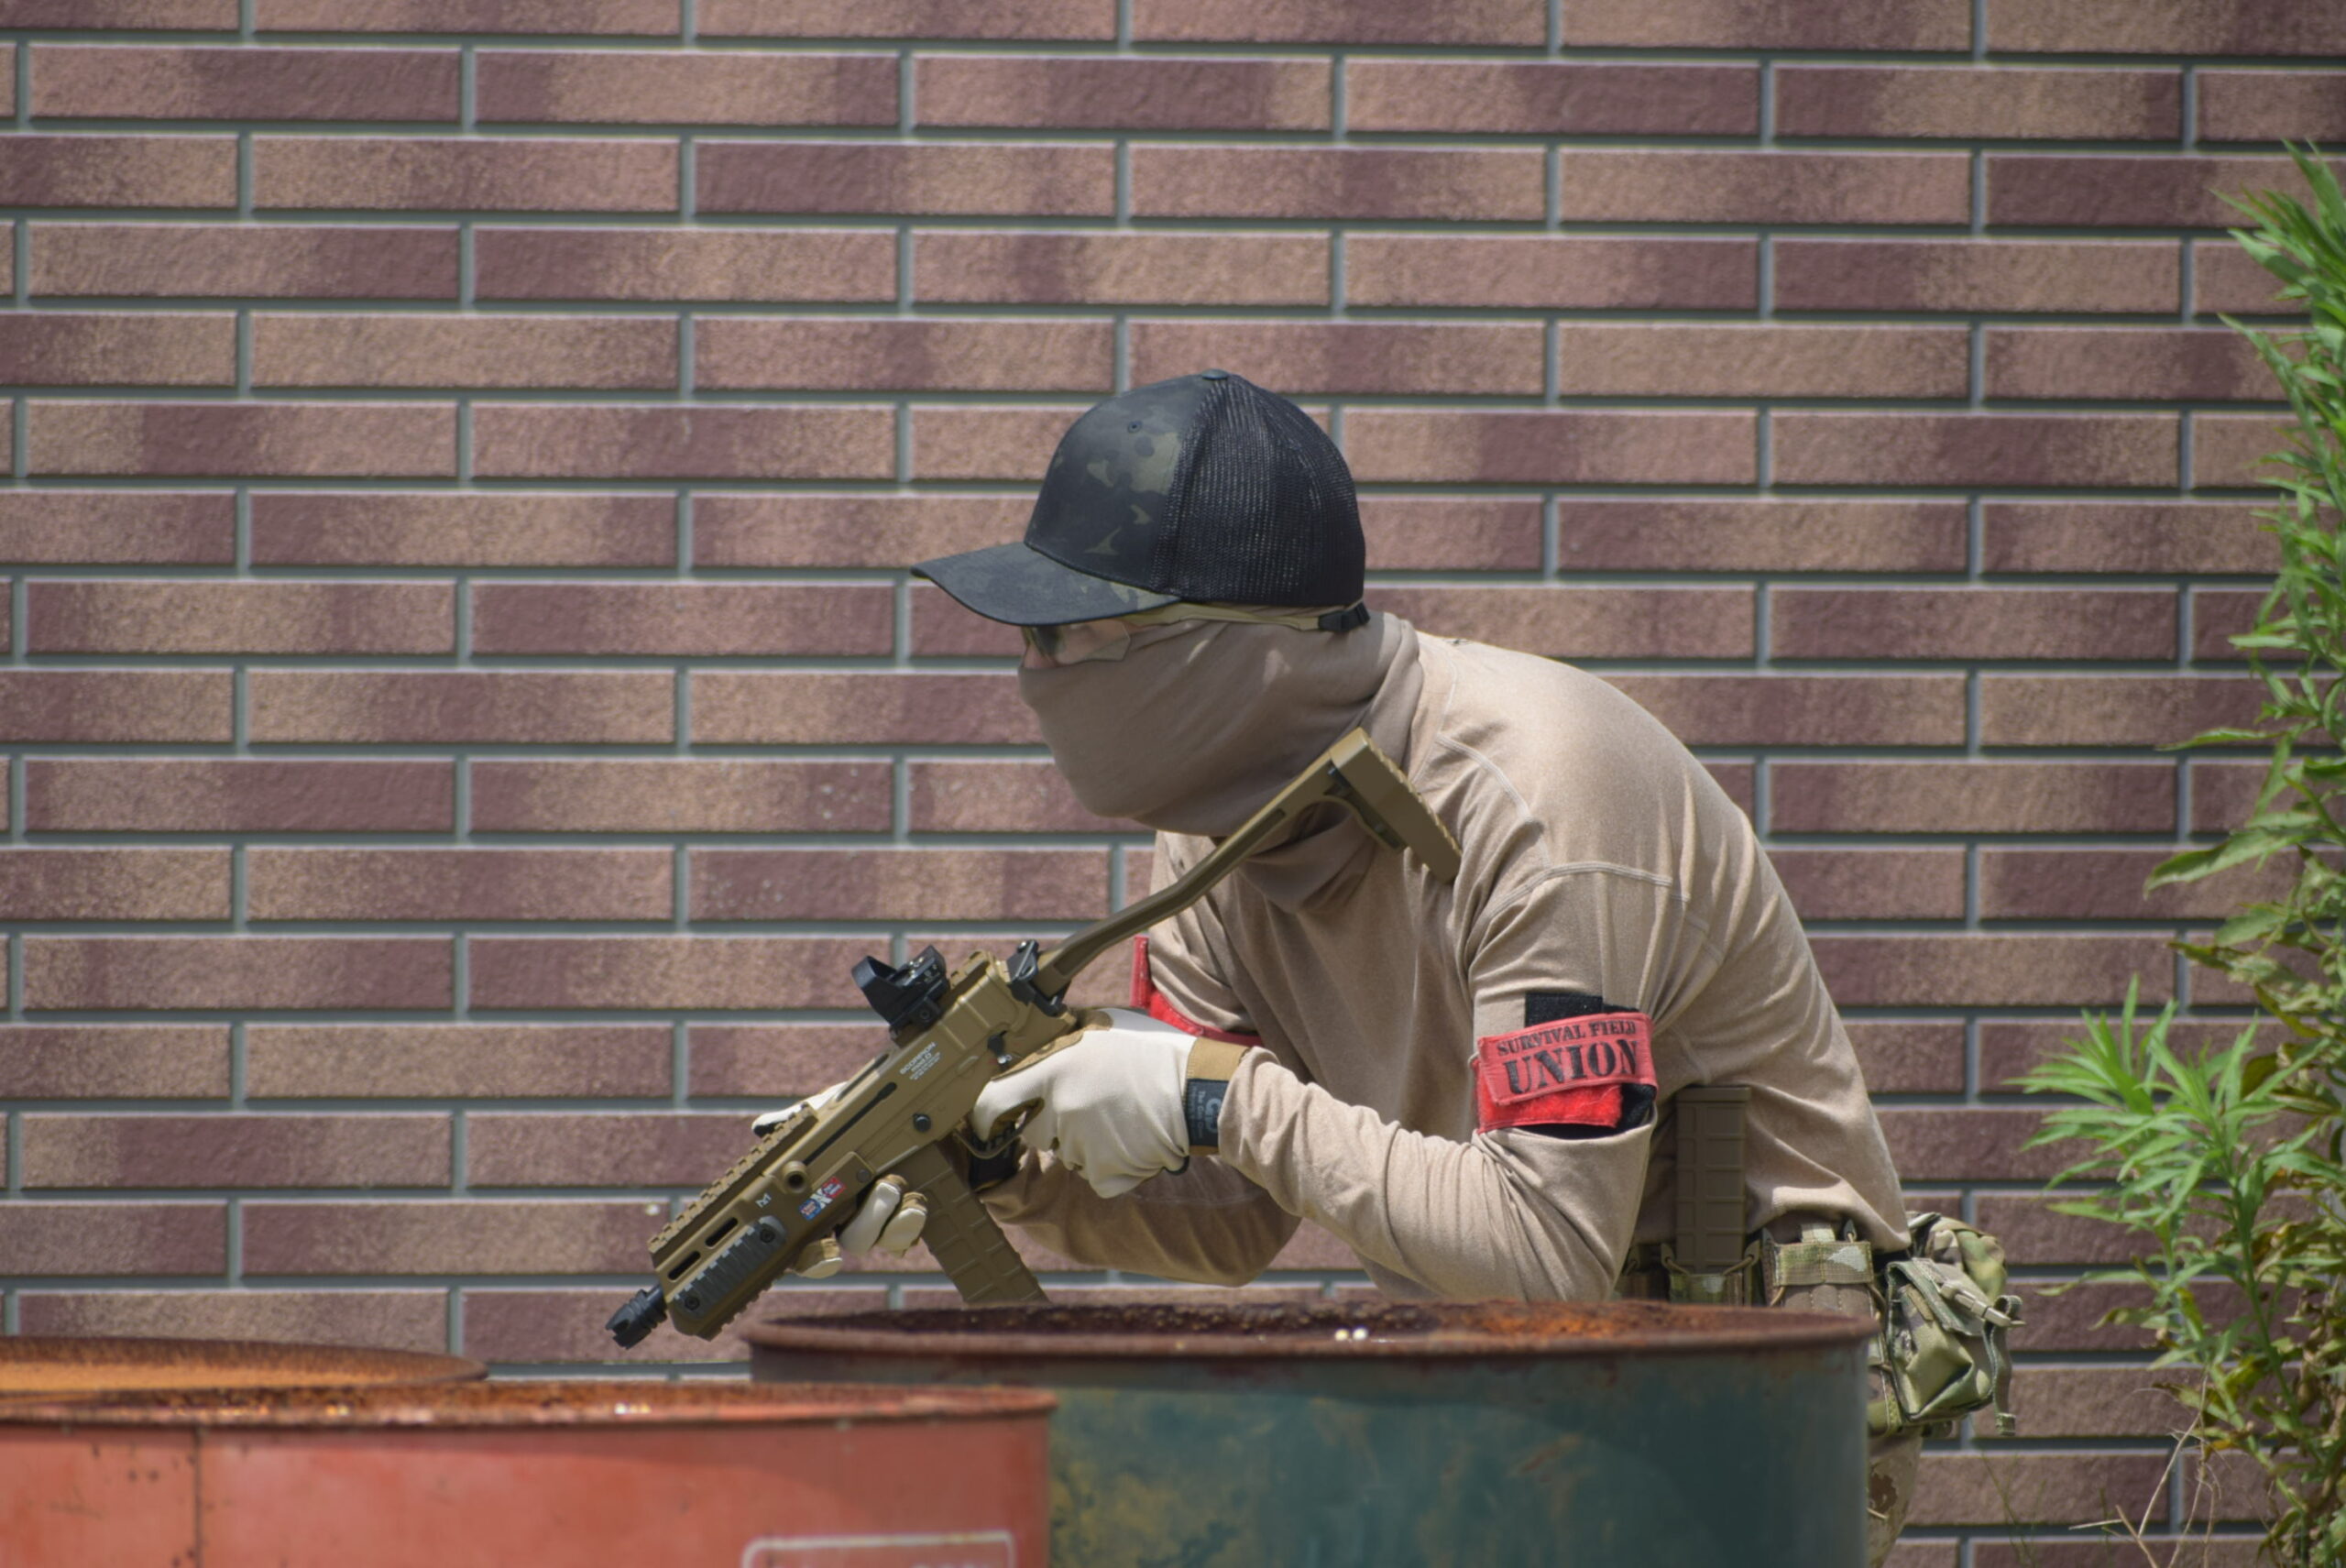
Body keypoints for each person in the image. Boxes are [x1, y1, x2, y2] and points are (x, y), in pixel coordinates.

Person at [767, 369, 1920, 1563]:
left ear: (1221, 650)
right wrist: (988, 1158)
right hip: (1522, 1396)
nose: (1036, 672)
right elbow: (1230, 1220)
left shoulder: (1537, 802)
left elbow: (1546, 1257)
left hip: (1750, 1405)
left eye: (1070, 633)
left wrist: (1208, 1093)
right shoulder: (1215, 818)